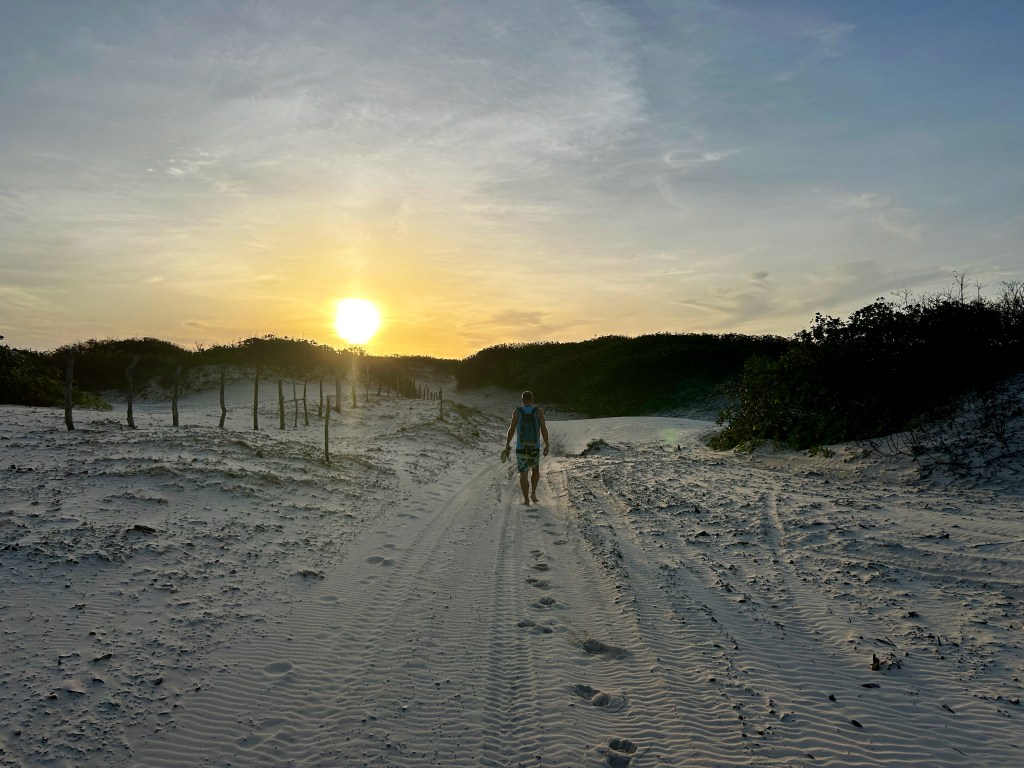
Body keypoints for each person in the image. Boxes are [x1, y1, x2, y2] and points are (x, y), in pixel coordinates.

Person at [504, 390, 549, 505]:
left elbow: (512, 428)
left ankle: (526, 500)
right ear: (532, 400)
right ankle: (533, 493)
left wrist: (507, 443)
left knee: (523, 473)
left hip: (521, 447)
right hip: (534, 447)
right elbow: (543, 428)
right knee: (535, 470)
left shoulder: (517, 412)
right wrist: (547, 444)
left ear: (522, 400)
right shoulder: (539, 411)